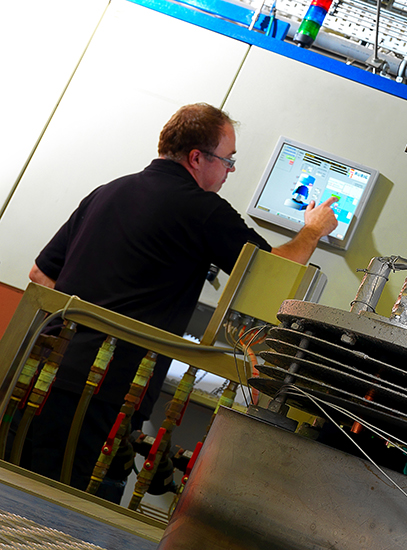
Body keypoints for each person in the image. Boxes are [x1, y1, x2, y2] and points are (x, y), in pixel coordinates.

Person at [24, 103, 338, 496]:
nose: (229, 171)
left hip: (40, 368)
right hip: (106, 387)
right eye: (228, 161)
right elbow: (274, 274)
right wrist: (312, 232)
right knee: (63, 506)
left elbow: (40, 274)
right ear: (196, 158)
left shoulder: (109, 190)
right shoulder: (202, 210)